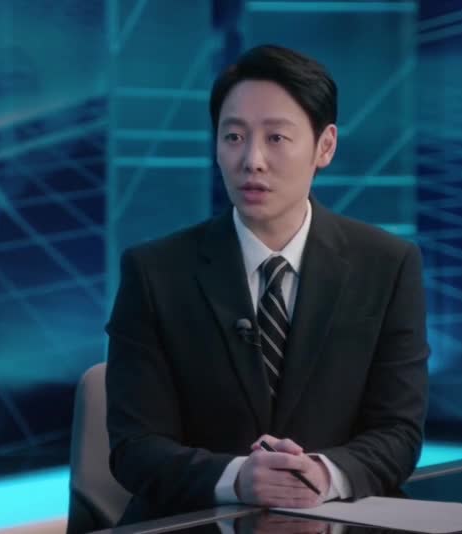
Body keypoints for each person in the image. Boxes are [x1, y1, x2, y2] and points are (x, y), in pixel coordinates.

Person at [105, 44, 429, 524]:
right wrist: (237, 477)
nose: (252, 160)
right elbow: (134, 447)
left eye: (276, 138)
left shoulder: (387, 265)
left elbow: (399, 432)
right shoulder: (154, 272)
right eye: (233, 137)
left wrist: (322, 474)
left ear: (325, 146)